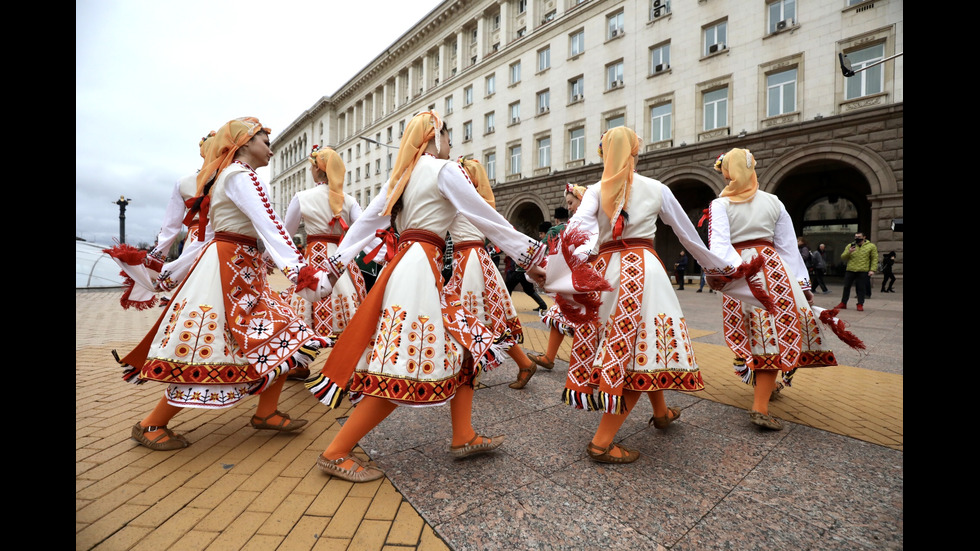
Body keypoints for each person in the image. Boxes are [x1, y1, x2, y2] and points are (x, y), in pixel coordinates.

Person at [305, 111, 547, 482]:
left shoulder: (401, 176)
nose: (451, 144)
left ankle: (463, 434)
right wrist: (532, 258)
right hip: (420, 270)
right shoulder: (442, 168)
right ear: (437, 136)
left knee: (468, 345)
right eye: (448, 135)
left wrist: (329, 270)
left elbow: (363, 226)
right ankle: (335, 451)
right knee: (401, 367)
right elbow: (484, 216)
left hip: (408, 266)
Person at [115, 117, 332, 450]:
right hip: (228, 273)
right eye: (264, 140)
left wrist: (170, 270)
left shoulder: (233, 177)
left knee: (286, 335)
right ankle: (151, 424)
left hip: (238, 269)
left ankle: (267, 411)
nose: (270, 148)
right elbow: (269, 227)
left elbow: (214, 239)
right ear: (244, 143)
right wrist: (299, 272)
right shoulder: (239, 176)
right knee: (206, 351)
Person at [550, 127, 746, 463]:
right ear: (635, 153)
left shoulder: (596, 190)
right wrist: (718, 269)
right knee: (640, 349)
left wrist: (572, 268)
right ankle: (601, 442)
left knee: (640, 347)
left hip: (607, 271)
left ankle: (662, 413)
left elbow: (577, 232)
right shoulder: (656, 188)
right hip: (645, 271)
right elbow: (688, 235)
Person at [706, 148, 838, 430]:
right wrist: (802, 285)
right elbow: (789, 247)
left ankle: (762, 401)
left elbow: (718, 244)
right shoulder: (774, 201)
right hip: (775, 269)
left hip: (742, 272)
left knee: (757, 334)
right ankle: (762, 400)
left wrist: (725, 275)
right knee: (776, 332)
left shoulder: (721, 204)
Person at [443, 157, 540, 391]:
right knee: (488, 320)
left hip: (468, 262)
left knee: (467, 319)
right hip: (476, 261)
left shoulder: (459, 203)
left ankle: (467, 377)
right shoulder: (480, 204)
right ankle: (524, 363)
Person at [281, 145, 370, 380]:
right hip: (341, 261)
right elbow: (362, 231)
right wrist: (381, 254)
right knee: (348, 311)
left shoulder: (302, 197)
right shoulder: (348, 200)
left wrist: (272, 259)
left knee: (304, 311)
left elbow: (285, 233)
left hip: (313, 258)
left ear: (316, 169)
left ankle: (300, 364)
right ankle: (350, 368)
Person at [106, 131, 218, 309]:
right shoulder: (232, 178)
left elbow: (170, 227)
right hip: (220, 238)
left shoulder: (185, 182)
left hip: (198, 238)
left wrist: (155, 260)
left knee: (195, 291)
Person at [526, 183, 589, 377]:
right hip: (576, 277)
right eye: (568, 203)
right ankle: (550, 357)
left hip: (589, 277)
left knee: (585, 320)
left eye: (571, 202)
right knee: (560, 314)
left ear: (582, 200)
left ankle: (585, 364)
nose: (569, 207)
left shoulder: (588, 221)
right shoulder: (574, 224)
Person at [836, 232, 878, 312]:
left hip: (863, 270)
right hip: (850, 269)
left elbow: (874, 258)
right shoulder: (850, 245)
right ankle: (843, 303)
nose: (857, 238)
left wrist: (872, 269)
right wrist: (849, 252)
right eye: (856, 237)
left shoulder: (871, 246)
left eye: (859, 237)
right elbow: (843, 257)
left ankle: (860, 304)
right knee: (846, 287)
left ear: (864, 237)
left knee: (861, 288)